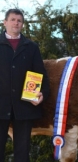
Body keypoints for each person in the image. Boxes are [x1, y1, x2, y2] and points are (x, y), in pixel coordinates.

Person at [0, 9, 49, 162]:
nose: (16, 23)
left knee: (22, 153)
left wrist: (42, 93)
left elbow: (40, 75)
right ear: (5, 22)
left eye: (19, 21)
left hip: (24, 107)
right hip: (0, 106)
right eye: (13, 19)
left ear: (22, 24)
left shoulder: (32, 47)